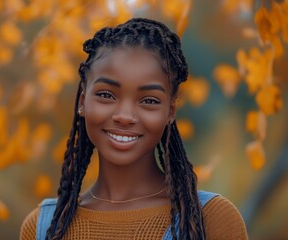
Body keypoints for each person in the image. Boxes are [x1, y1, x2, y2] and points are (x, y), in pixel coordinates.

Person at [20, 17, 248, 240]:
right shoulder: (43, 228)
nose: (124, 117)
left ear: (170, 111)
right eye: (106, 95)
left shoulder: (210, 220)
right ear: (82, 101)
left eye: (149, 100)